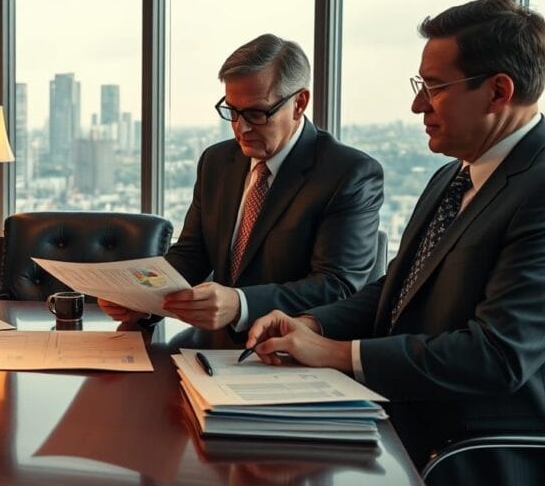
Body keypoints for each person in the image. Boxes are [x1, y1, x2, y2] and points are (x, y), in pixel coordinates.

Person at [245, 0, 545, 466]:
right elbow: (399, 289)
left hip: (468, 451)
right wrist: (313, 323)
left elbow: (497, 356)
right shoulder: (451, 176)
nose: (416, 104)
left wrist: (337, 353)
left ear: (498, 91)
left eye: (435, 87)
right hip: (397, 419)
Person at [100, 34, 384, 344]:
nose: (241, 128)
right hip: (211, 343)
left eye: (256, 113)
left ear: (299, 103)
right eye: (232, 111)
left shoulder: (348, 173)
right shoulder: (217, 160)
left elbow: (336, 285)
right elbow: (193, 254)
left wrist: (241, 303)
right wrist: (139, 297)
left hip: (289, 349)